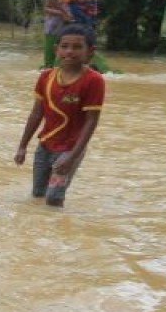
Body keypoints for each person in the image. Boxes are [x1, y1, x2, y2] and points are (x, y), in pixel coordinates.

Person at [13, 24, 106, 208]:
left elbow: (91, 121)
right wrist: (22, 146)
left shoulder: (94, 81)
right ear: (56, 50)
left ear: (90, 52)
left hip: (69, 149)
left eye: (77, 47)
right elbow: (36, 113)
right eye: (64, 46)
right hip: (45, 146)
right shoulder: (46, 77)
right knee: (38, 194)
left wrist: (72, 156)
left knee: (54, 198)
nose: (69, 51)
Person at [42, 0, 79, 69]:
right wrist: (62, 14)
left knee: (64, 56)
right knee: (49, 57)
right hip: (53, 27)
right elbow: (46, 9)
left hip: (71, 29)